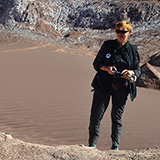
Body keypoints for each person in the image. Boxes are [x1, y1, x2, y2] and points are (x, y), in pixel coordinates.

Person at [88, 20, 141, 150]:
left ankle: (115, 147)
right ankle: (92, 145)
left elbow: (138, 70)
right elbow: (96, 64)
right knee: (96, 116)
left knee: (116, 118)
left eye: (123, 32)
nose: (120, 34)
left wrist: (130, 72)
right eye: (118, 31)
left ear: (129, 33)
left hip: (121, 88)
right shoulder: (107, 45)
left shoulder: (132, 50)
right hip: (103, 86)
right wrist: (106, 68)